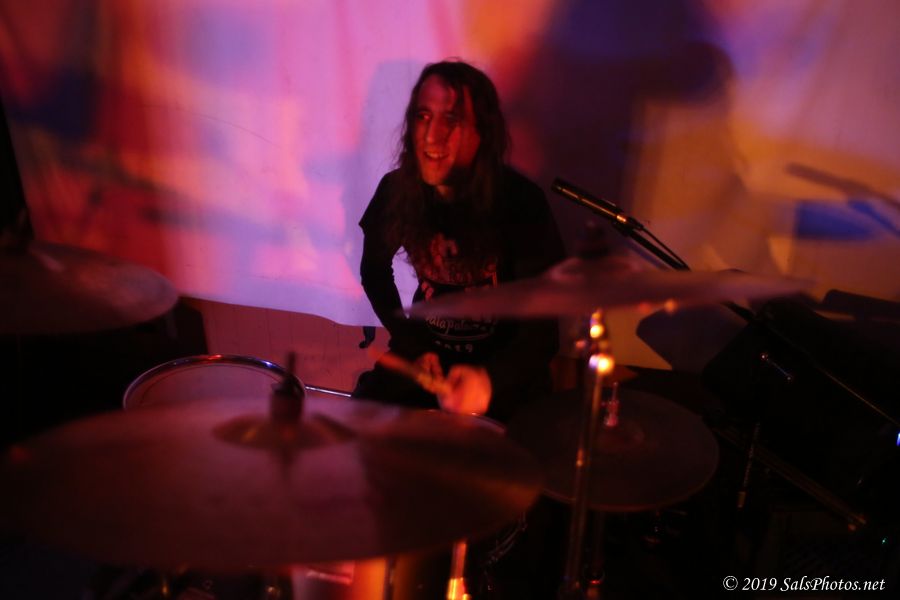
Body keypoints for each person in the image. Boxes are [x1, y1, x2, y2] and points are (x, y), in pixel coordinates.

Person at [354, 60, 565, 424]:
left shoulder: (521, 201)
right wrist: (412, 343)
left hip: (503, 367)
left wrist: (491, 380)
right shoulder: (396, 192)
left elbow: (543, 329)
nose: (431, 135)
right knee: (364, 429)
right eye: (423, 116)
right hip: (427, 356)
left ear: (483, 132)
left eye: (451, 120)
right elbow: (374, 271)